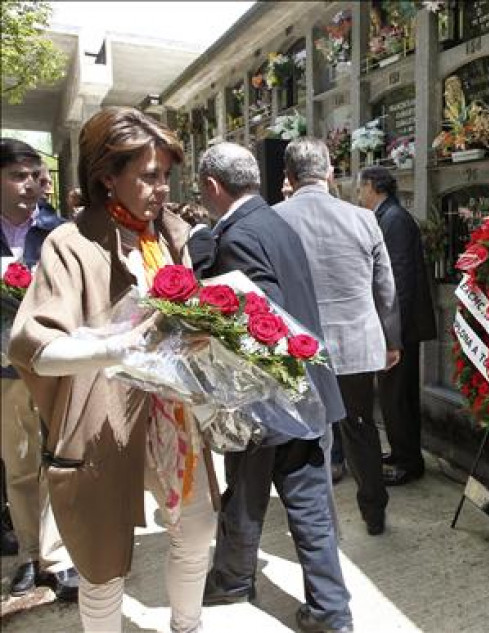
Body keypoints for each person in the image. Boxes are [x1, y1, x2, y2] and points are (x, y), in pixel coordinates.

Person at [8, 108, 218, 632]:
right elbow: (35, 346)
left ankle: (186, 626)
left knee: (196, 534)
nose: (162, 189)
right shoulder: (70, 244)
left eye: (166, 175)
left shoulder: (174, 236)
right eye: (148, 176)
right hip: (102, 426)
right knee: (102, 567)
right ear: (107, 176)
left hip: (174, 418)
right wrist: (119, 346)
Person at [196, 142, 353, 633]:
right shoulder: (274, 221)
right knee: (307, 507)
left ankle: (232, 581)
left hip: (273, 399)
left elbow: (262, 321)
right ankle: (330, 612)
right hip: (308, 391)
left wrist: (203, 277)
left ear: (212, 187)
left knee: (245, 492)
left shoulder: (238, 236)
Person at [275, 137, 401, 536]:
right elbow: (386, 287)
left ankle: (314, 524)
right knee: (361, 427)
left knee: (306, 433)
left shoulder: (275, 219)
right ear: (330, 173)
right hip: (356, 343)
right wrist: (392, 340)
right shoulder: (363, 218)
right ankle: (374, 511)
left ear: (289, 177)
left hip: (301, 346)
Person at [1, 138, 76, 600]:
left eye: (35, 174)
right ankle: (31, 554)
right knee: (21, 466)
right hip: (5, 372)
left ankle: (58, 556)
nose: (31, 184)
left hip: (51, 364)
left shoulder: (57, 232)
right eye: (18, 175)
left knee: (61, 462)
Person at [357, 167, 437, 486]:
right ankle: (401, 451)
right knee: (392, 396)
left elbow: (398, 279)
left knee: (398, 396)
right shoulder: (386, 217)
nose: (358, 194)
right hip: (393, 325)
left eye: (361, 187)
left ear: (374, 187)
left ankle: (409, 462)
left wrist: (393, 332)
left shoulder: (395, 220)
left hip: (399, 327)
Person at [280, 173, 347, 483]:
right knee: (347, 414)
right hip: (344, 332)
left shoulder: (273, 218)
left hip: (303, 328)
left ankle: (331, 461)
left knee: (325, 408)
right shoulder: (357, 217)